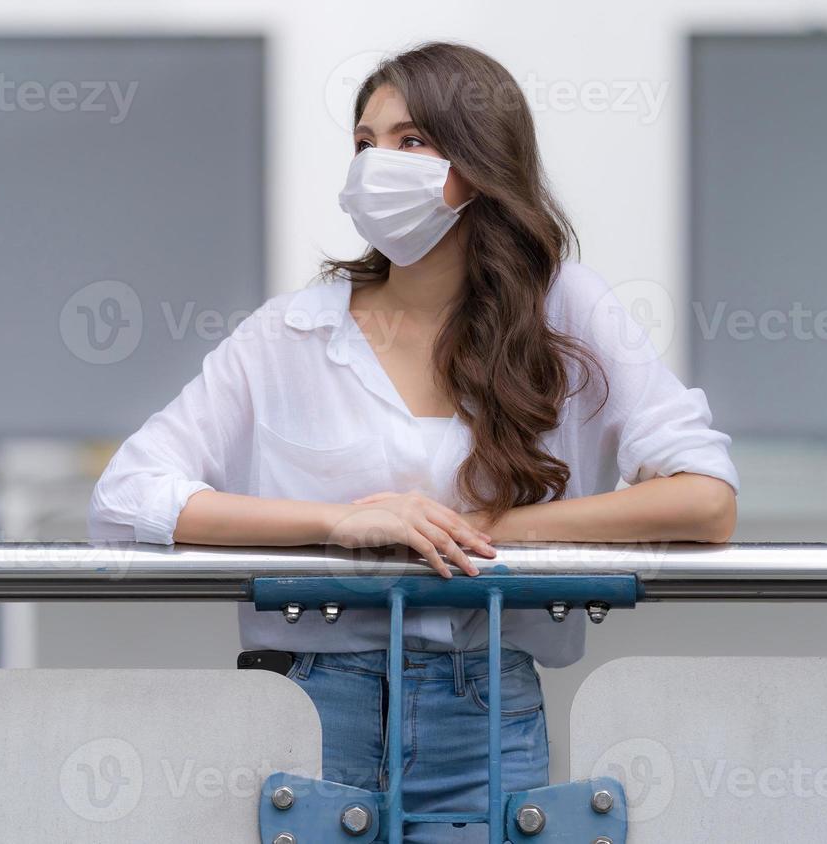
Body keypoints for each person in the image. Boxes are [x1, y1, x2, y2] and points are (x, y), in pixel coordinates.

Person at [89, 41, 738, 839]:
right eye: (364, 143)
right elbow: (126, 499)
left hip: (487, 707)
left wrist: (485, 533)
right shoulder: (292, 330)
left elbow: (706, 500)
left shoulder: (563, 308)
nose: (375, 164)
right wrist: (336, 527)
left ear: (476, 163)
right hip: (312, 703)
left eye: (409, 142)